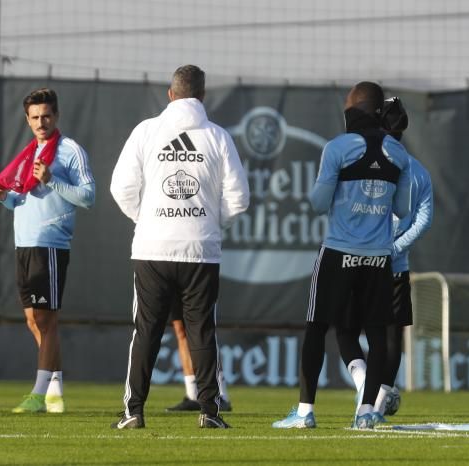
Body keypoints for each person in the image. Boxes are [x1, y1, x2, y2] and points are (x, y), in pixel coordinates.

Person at [109, 64, 250, 429]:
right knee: (202, 331)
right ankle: (209, 412)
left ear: (170, 95)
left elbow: (121, 188)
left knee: (146, 331)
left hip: (152, 249)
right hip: (201, 250)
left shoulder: (147, 131)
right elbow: (239, 198)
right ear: (202, 96)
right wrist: (210, 225)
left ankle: (133, 412)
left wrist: (148, 219)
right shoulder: (218, 136)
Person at [272, 81, 411, 430]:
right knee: (377, 333)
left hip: (338, 251)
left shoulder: (338, 147)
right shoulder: (399, 154)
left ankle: (305, 412)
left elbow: (318, 204)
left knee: (317, 328)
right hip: (379, 256)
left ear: (353, 110)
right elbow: (403, 208)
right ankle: (366, 413)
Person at [0, 88, 95, 414]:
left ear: (56, 116)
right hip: (25, 243)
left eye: (46, 115)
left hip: (51, 243)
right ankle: (56, 389)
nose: (41, 122)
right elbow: (20, 200)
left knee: (47, 320)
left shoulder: (70, 151)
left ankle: (38, 393)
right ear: (27, 120)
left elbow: (89, 197)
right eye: (35, 117)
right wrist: (2, 196)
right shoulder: (28, 153)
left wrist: (53, 180)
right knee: (35, 321)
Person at [334, 97, 433, 417]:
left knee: (345, 328)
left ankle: (363, 379)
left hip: (357, 259)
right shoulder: (417, 170)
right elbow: (424, 219)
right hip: (394, 267)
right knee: (390, 335)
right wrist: (396, 248)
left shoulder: (359, 161)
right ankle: (378, 400)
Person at [165, 308, 232, 413]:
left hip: (198, 292)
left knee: (204, 331)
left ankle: (221, 395)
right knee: (180, 329)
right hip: (173, 291)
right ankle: (192, 395)